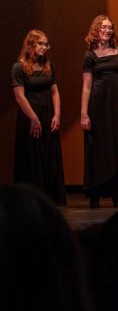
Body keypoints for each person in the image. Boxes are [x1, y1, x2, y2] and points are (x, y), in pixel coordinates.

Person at [81, 15, 118, 209]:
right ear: (96, 29)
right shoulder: (90, 55)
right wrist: (84, 114)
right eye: (103, 27)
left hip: (116, 105)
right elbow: (86, 86)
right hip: (96, 106)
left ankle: (115, 194)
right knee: (96, 148)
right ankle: (95, 193)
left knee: (117, 147)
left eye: (110, 28)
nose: (107, 30)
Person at [11, 29, 65, 205]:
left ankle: (51, 198)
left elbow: (55, 93)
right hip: (30, 118)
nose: (44, 47)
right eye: (41, 43)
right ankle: (32, 200)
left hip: (48, 116)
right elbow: (20, 96)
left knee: (49, 158)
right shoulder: (19, 67)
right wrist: (34, 119)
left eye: (46, 44)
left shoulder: (48, 65)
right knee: (32, 159)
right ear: (31, 44)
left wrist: (57, 115)